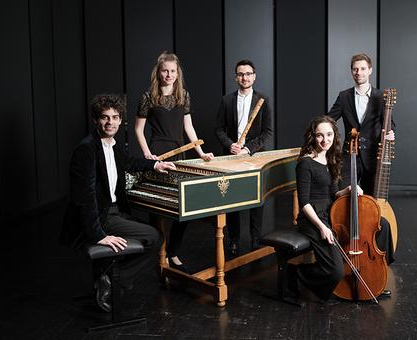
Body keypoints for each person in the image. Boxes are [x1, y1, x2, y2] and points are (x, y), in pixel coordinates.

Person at [61, 94, 176, 312]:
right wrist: (100, 235)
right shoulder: (86, 149)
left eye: (115, 117)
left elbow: (129, 162)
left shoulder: (112, 146)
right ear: (96, 120)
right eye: (105, 117)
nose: (110, 122)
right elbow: (84, 199)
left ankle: (108, 278)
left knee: (143, 230)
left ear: (121, 120)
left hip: (113, 211)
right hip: (99, 217)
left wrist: (155, 166)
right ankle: (114, 280)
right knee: (155, 237)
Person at [135, 51, 214, 271]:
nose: (169, 74)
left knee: (184, 206)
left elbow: (189, 128)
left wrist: (201, 153)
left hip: (180, 152)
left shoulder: (183, 96)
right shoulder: (148, 97)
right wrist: (147, 155)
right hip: (158, 153)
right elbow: (138, 130)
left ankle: (173, 251)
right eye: (165, 71)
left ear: (177, 74)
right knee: (159, 205)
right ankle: (160, 252)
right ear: (158, 72)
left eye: (173, 71)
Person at [215, 59, 273, 256]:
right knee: (232, 199)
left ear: (254, 76)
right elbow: (219, 129)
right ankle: (234, 240)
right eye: (240, 74)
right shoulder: (226, 100)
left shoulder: (263, 100)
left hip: (253, 156)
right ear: (235, 77)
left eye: (248, 74)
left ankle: (256, 239)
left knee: (257, 199)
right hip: (231, 156)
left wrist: (248, 149)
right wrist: (230, 145)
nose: (244, 77)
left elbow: (267, 132)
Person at [291, 115, 346, 301]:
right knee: (336, 271)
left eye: (329, 134)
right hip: (312, 219)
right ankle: (295, 273)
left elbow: (334, 194)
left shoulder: (330, 159)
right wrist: (322, 227)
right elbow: (304, 202)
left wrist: (349, 189)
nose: (325, 140)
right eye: (320, 135)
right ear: (312, 137)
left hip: (330, 213)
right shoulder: (305, 163)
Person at [327, 53, 395, 194]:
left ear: (370, 70)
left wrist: (390, 133)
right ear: (352, 71)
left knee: (371, 199)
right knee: (343, 196)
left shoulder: (381, 97)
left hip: (373, 157)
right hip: (349, 155)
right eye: (355, 69)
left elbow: (390, 124)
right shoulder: (344, 96)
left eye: (363, 69)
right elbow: (328, 120)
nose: (359, 73)